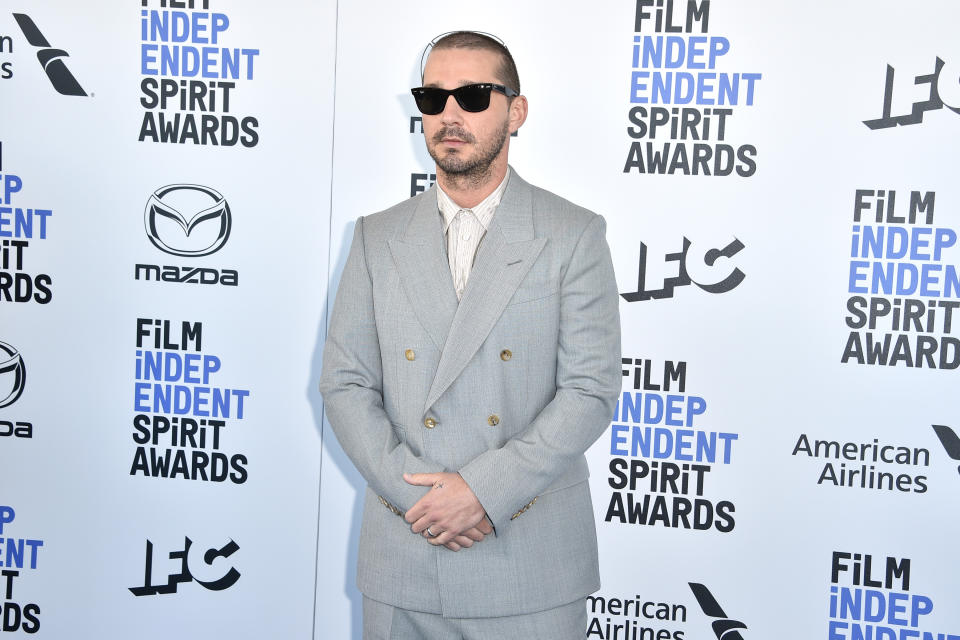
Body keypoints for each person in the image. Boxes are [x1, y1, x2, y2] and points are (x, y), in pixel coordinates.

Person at [319, 30, 621, 639]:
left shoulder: (572, 233)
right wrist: (424, 504)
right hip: (405, 552)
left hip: (528, 561)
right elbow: (345, 385)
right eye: (433, 98)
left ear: (517, 111)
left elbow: (590, 391)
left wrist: (483, 492)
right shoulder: (377, 236)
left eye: (474, 95)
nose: (449, 115)